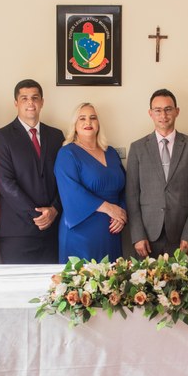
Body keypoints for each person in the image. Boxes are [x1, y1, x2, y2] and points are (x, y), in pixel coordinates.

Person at [0, 79, 64, 264]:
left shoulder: (57, 136)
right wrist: (38, 215)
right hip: (17, 232)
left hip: (52, 230)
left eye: (35, 98)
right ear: (16, 103)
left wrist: (54, 210)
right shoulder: (1, 137)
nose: (30, 102)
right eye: (24, 98)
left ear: (42, 102)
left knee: (52, 282)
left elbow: (64, 179)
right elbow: (5, 183)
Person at [126, 88, 188, 257]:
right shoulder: (137, 148)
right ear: (150, 113)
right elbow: (132, 196)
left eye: (168, 109)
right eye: (158, 110)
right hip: (147, 236)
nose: (163, 115)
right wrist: (138, 235)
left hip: (182, 235)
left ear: (177, 111)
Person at [54, 103, 126, 262]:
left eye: (93, 118)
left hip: (112, 231)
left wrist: (121, 213)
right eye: (82, 118)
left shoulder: (111, 152)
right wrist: (110, 209)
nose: (88, 122)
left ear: (98, 123)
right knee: (83, 277)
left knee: (112, 276)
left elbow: (125, 188)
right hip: (81, 233)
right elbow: (71, 192)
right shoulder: (67, 153)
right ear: (74, 125)